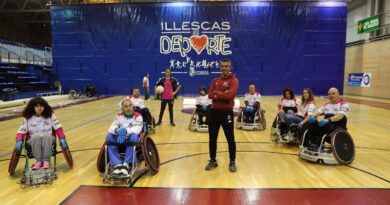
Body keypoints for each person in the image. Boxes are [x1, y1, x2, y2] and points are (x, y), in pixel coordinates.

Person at [15, 97, 68, 170]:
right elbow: (21, 131)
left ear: (44, 107)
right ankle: (38, 161)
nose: (39, 108)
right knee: (35, 137)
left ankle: (46, 161)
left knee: (46, 136)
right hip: (33, 140)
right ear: (32, 107)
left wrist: (62, 138)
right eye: (37, 106)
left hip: (48, 138)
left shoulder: (50, 116)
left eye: (41, 106)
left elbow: (58, 128)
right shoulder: (27, 118)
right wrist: (19, 140)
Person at [205, 59, 239, 172]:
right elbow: (210, 95)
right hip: (214, 112)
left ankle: (232, 161)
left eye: (226, 66)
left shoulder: (234, 81)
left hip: (226, 113)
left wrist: (217, 93)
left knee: (230, 138)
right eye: (222, 66)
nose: (224, 68)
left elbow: (229, 96)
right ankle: (213, 160)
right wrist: (222, 94)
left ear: (230, 67)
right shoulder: (215, 80)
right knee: (212, 138)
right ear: (220, 67)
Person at [106, 99, 143, 175]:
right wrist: (117, 130)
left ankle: (126, 164)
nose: (128, 108)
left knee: (134, 136)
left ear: (133, 106)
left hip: (130, 138)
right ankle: (117, 164)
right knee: (109, 137)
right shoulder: (119, 116)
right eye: (126, 106)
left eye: (130, 106)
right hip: (120, 138)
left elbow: (137, 129)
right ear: (122, 108)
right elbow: (111, 128)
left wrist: (125, 132)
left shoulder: (138, 116)